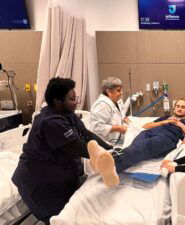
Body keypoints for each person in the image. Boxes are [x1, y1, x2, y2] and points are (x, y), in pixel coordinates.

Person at [12, 78, 112, 224]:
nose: (76, 102)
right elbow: (80, 147)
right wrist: (107, 156)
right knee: (60, 220)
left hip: (61, 179)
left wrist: (110, 148)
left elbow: (87, 134)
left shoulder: (68, 114)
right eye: (72, 99)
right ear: (57, 101)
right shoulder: (50, 123)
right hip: (40, 184)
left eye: (75, 98)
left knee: (76, 211)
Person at [87, 98, 185, 187]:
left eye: (183, 107)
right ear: (174, 107)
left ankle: (109, 162)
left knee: (143, 147)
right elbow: (146, 126)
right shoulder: (166, 117)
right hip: (149, 132)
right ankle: (108, 166)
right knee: (135, 147)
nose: (179, 109)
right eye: (178, 106)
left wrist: (180, 125)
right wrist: (165, 122)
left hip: (167, 137)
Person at [90, 77, 129, 146]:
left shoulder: (117, 101)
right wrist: (118, 128)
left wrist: (124, 118)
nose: (121, 93)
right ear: (109, 92)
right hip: (105, 143)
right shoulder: (102, 105)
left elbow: (120, 114)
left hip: (117, 140)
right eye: (118, 90)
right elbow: (97, 127)